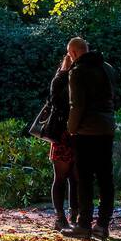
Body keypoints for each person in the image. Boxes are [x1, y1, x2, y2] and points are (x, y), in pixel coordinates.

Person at [65, 36, 116, 239]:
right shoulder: (108, 69)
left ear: (75, 53)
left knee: (84, 179)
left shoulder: (77, 72)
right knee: (106, 178)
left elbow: (76, 105)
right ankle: (103, 225)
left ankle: (84, 223)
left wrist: (71, 128)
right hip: (106, 129)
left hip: (85, 131)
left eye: (70, 54)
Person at [43, 52, 78, 231]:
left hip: (62, 134)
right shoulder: (67, 80)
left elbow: (54, 102)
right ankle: (72, 215)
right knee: (73, 178)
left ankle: (61, 216)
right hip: (72, 133)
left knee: (62, 178)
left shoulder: (58, 80)